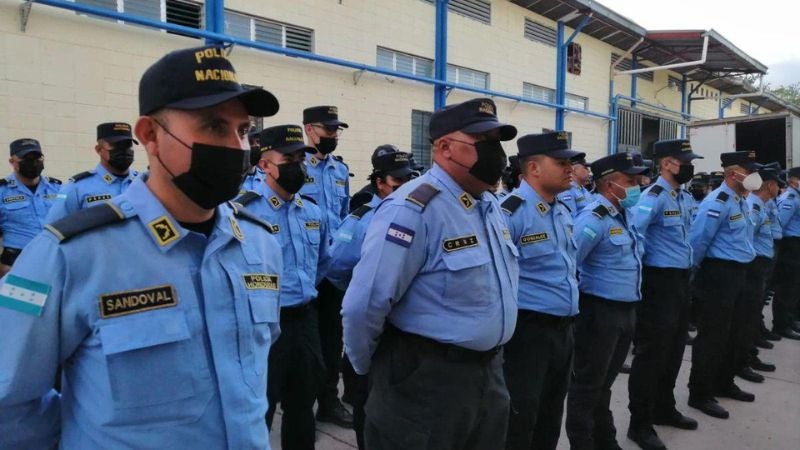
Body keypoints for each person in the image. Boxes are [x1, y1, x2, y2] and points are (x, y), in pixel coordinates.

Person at [0, 44, 283, 449]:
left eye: (243, 131)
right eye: (214, 127)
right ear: (149, 135)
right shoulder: (69, 255)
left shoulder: (260, 244)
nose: (238, 148)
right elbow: (9, 401)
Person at [342, 97, 519, 450]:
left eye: (497, 143)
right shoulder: (412, 209)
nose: (495, 153)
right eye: (481, 143)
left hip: (489, 375)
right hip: (427, 382)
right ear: (444, 148)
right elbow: (364, 305)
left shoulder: (490, 207)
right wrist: (375, 373)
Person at [236, 124, 330, 450]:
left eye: (301, 159)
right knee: (260, 406)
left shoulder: (313, 211)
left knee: (303, 405)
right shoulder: (243, 211)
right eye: (288, 159)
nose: (297, 166)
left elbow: (323, 263)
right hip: (263, 324)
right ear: (264, 164)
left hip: (304, 322)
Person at [327, 145, 416, 450]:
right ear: (380, 183)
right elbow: (337, 264)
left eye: (409, 180)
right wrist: (357, 287)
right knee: (368, 404)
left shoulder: (419, 215)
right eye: (397, 183)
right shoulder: (363, 218)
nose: (404, 188)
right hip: (371, 327)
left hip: (407, 331)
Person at [500, 131, 584, 450]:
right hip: (528, 332)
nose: (570, 169)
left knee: (551, 414)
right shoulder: (510, 212)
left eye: (570, 162)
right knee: (521, 416)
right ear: (533, 168)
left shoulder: (561, 210)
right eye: (561, 162)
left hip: (563, 330)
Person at [566, 152, 647, 450]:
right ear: (610, 185)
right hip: (600, 313)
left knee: (604, 385)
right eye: (630, 181)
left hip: (626, 311)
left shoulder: (624, 214)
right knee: (587, 387)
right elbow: (570, 264)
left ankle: (605, 440)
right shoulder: (593, 218)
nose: (637, 185)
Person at [627, 139, 702, 450]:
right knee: (652, 355)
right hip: (658, 284)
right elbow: (635, 235)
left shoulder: (682, 196)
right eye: (683, 160)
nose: (689, 166)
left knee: (673, 352)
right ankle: (639, 424)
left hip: (681, 282)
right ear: (667, 163)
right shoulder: (653, 197)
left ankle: (663, 407)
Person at [687, 151, 762, 420]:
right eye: (749, 170)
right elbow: (698, 242)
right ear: (733, 174)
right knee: (713, 336)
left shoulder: (740, 200)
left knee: (735, 332)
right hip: (718, 275)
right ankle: (700, 393)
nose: (755, 176)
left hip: (739, 273)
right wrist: (692, 278)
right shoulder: (715, 203)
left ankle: (724, 382)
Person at [300, 105, 354, 426]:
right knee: (307, 346)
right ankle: (302, 408)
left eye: (337, 131)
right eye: (328, 130)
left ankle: (329, 402)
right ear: (309, 129)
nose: (333, 136)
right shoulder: (293, 167)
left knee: (333, 340)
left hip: (333, 270)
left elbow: (345, 216)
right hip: (305, 272)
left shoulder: (339, 170)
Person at [45, 122, 140, 222]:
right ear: (99, 149)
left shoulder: (144, 182)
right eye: (116, 145)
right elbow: (54, 228)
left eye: (127, 145)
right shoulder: (75, 188)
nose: (123, 150)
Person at [739, 167, 782, 383]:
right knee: (747, 316)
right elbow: (748, 238)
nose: (779, 187)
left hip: (761, 265)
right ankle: (744, 359)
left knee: (753, 314)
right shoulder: (753, 205)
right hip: (753, 266)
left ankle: (749, 355)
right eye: (777, 183)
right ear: (769, 185)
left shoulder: (761, 205)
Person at [0, 138, 62, 275]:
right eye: (26, 158)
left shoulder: (58, 189)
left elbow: (69, 217)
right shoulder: (2, 191)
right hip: (15, 264)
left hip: (55, 259)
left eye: (37, 157)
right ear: (12, 162)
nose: (33, 162)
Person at [773, 167, 800, 339]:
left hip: (796, 245)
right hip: (790, 245)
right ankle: (781, 324)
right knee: (786, 286)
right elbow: (780, 223)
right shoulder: (790, 198)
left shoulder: (796, 197)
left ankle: (789, 319)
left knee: (794, 286)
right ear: (793, 180)